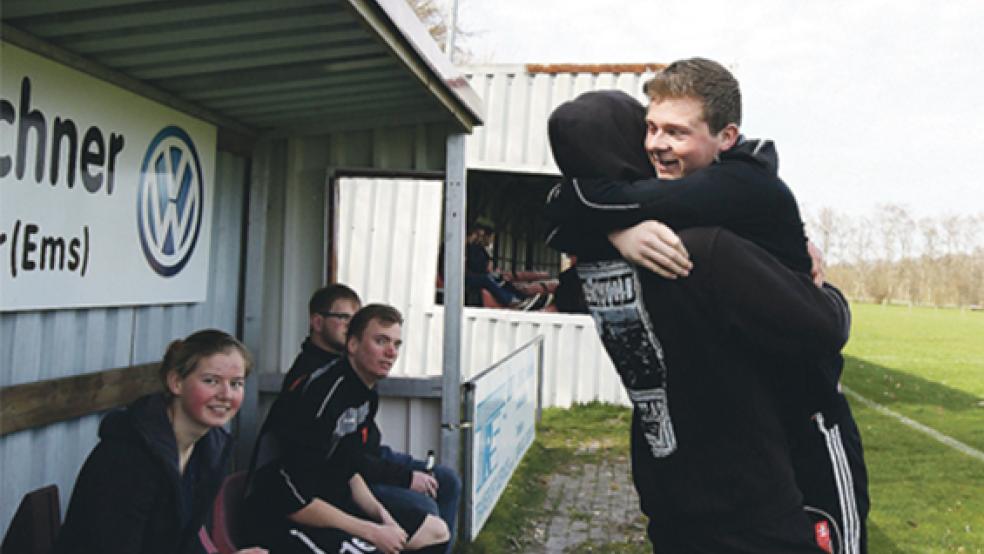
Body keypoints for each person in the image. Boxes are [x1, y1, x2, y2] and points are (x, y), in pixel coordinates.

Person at [546, 60, 865, 553]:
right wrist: (619, 233)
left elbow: (576, 206)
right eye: (650, 129)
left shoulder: (742, 188)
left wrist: (610, 230)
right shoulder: (694, 245)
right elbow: (589, 204)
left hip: (784, 435)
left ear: (726, 136)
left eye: (676, 131)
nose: (657, 144)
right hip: (747, 471)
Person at [245, 304, 449, 554]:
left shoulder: (366, 390)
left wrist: (385, 519)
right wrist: (371, 532)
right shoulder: (323, 396)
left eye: (396, 344)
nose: (390, 352)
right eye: (380, 341)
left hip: (329, 500)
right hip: (279, 514)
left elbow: (348, 469)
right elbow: (292, 496)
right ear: (352, 345)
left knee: (435, 532)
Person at [54, 330, 266, 554]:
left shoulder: (210, 449)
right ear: (176, 382)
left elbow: (183, 543)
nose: (226, 394)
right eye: (211, 381)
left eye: (236, 384)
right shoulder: (128, 456)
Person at [465, 222, 545, 310]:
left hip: (479, 273)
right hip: (469, 275)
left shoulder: (478, 248)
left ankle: (521, 297)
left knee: (502, 278)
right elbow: (476, 265)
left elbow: (486, 263)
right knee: (487, 279)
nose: (478, 238)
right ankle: (509, 300)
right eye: (477, 235)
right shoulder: (466, 248)